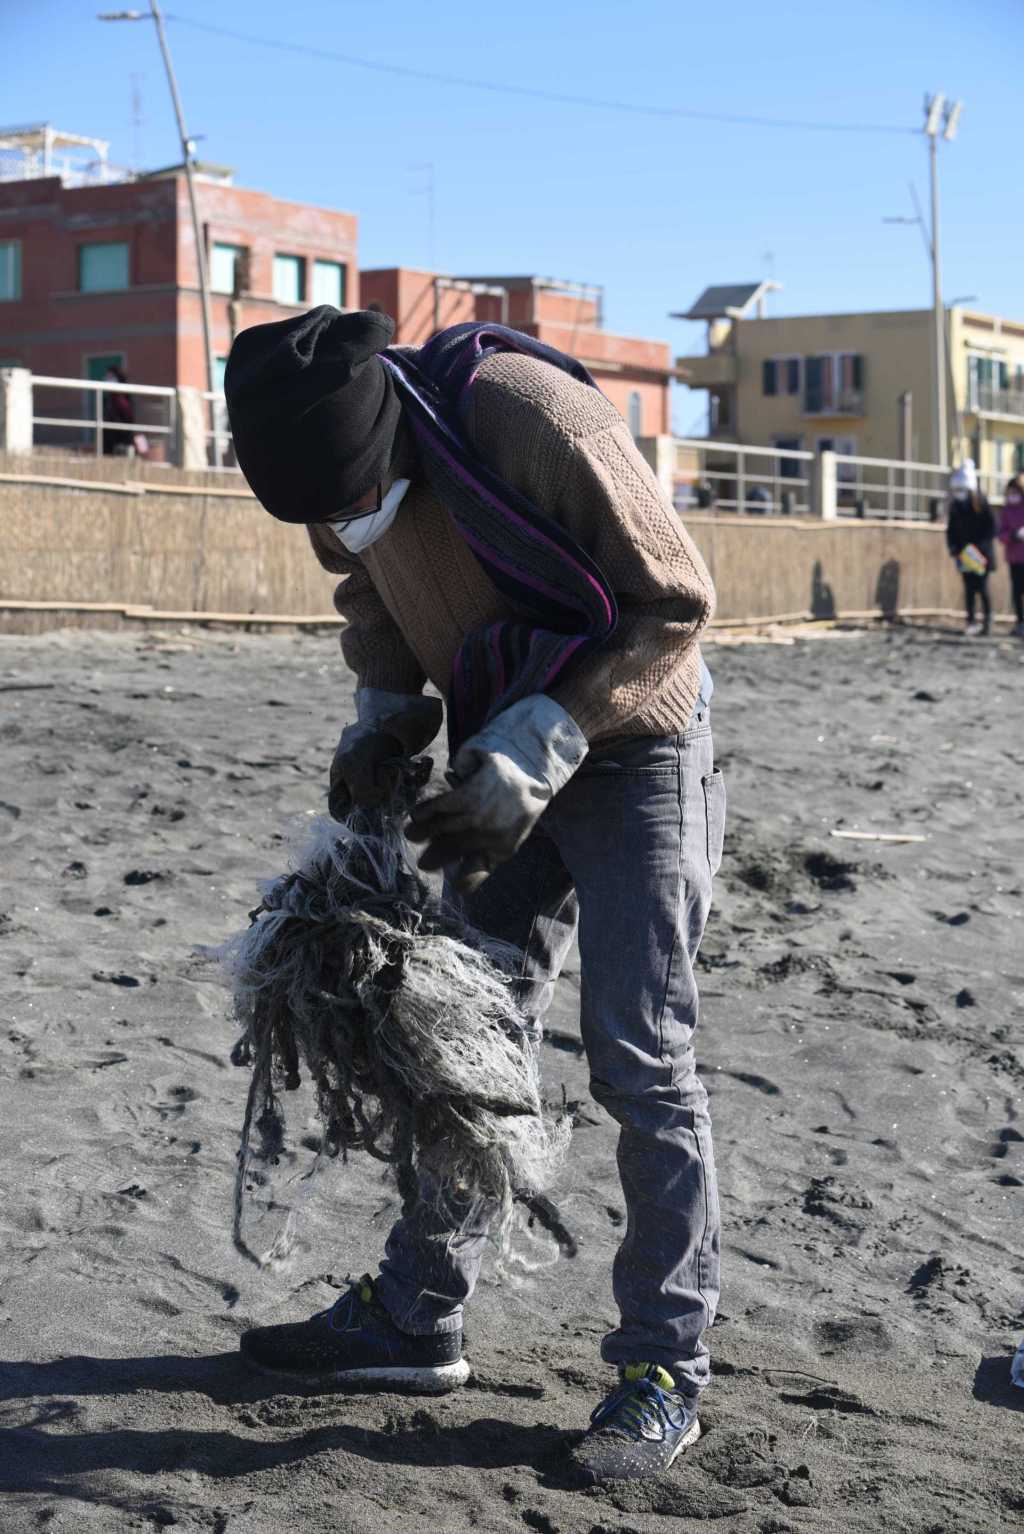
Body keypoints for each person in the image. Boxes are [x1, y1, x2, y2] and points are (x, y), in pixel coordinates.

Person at [224, 307, 724, 1485]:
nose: (346, 529)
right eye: (323, 519)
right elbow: (378, 605)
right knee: (452, 1045)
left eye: (357, 502)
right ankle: (416, 1313)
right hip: (490, 736)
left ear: (390, 423)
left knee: (637, 1056)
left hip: (632, 744)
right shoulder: (329, 475)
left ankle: (664, 1366)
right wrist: (389, 725)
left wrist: (534, 747)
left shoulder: (532, 419)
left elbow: (677, 606)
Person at [946, 460, 996, 636]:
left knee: (982, 588)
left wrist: (980, 548)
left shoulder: (981, 504)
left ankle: (988, 620)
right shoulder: (956, 507)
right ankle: (971, 621)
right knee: (968, 588)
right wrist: (953, 547)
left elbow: (991, 528)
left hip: (981, 554)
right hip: (963, 553)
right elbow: (951, 529)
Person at [997, 473, 1024, 637]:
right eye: (1010, 492)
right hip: (1014, 558)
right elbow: (1000, 533)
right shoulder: (1006, 510)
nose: (1012, 495)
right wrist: (1013, 536)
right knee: (1016, 592)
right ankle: (1020, 622)